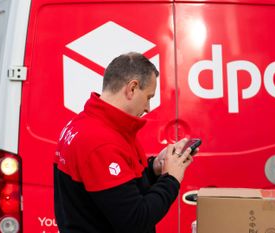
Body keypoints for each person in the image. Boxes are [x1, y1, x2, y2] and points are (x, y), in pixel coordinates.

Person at [54, 52, 197, 233]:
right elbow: (136, 220)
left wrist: (154, 168)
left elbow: (122, 189)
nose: (147, 108)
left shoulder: (88, 124)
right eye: (148, 97)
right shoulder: (101, 142)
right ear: (132, 88)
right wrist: (171, 179)